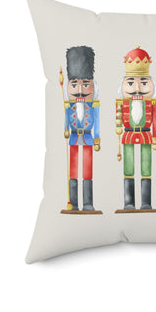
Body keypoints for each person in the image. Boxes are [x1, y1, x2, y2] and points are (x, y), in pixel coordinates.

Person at [115, 47, 156, 213]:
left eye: (144, 83)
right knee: (128, 169)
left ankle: (146, 202)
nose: (137, 88)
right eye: (130, 83)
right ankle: (129, 202)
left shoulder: (152, 103)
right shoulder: (122, 102)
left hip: (146, 135)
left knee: (146, 170)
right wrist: (118, 127)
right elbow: (118, 118)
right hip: (128, 135)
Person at [61, 46, 101, 214]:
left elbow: (97, 122)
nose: (79, 91)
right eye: (74, 85)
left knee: (87, 171)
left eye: (85, 85)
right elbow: (66, 121)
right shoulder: (68, 105)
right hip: (73, 139)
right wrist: (65, 130)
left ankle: (88, 203)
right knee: (73, 170)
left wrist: (97, 139)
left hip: (88, 138)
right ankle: (73, 203)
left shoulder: (94, 106)